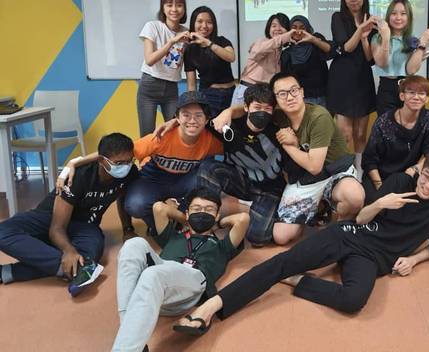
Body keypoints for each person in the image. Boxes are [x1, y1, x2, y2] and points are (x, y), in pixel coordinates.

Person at [171, 150, 429, 336]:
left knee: (353, 300)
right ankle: (207, 309)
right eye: (426, 177)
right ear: (420, 172)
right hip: (351, 234)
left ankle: (296, 281)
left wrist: (412, 260)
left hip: (372, 259)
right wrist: (381, 201)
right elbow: (360, 220)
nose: (427, 185)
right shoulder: (398, 183)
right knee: (279, 263)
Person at [213, 72, 366, 245]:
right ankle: (317, 208)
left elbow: (315, 166)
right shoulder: (278, 115)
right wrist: (228, 111)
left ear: (302, 92)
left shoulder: (318, 116)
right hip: (305, 180)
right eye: (282, 94)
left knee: (354, 196)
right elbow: (251, 106)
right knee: (280, 236)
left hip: (334, 173)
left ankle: (340, 231)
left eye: (294, 90)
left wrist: (289, 145)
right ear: (276, 99)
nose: (290, 97)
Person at [61, 91, 223, 233]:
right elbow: (116, 153)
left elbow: (234, 147)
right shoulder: (162, 136)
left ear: (207, 119)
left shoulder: (210, 140)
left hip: (184, 181)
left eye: (198, 115)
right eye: (186, 115)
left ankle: (187, 221)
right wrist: (75, 162)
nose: (192, 120)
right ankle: (159, 225)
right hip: (154, 179)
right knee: (135, 204)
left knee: (211, 172)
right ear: (177, 117)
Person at [0, 133, 137, 296]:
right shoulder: (78, 176)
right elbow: (57, 228)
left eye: (130, 161)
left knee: (93, 250)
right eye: (119, 163)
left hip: (85, 227)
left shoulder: (129, 172)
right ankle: (77, 269)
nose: (126, 166)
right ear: (101, 161)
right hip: (48, 218)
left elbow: (122, 196)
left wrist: (127, 229)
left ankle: (10, 272)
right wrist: (69, 251)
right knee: (3, 232)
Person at [111, 189, 248, 351]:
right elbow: (159, 208)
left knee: (153, 274)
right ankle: (129, 331)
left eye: (209, 209)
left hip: (192, 282)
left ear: (217, 215)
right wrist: (187, 220)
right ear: (187, 213)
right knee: (133, 244)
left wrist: (217, 224)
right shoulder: (173, 236)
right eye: (196, 209)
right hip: (152, 286)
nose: (202, 213)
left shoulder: (222, 246)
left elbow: (242, 219)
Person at [197, 85, 288, 245]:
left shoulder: (279, 130)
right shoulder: (228, 125)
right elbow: (194, 122)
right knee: (208, 169)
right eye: (257, 107)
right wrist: (171, 123)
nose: (262, 112)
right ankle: (207, 222)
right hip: (239, 181)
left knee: (257, 238)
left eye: (267, 108)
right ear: (246, 107)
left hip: (269, 188)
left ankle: (259, 213)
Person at [362, 76, 429, 201]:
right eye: (411, 92)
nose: (416, 97)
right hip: (380, 176)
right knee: (376, 207)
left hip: (411, 174)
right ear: (402, 96)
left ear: (427, 99)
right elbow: (369, 159)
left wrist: (415, 168)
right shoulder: (384, 121)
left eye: (421, 94)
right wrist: (380, 186)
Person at [327, 0, 377, 174]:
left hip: (363, 78)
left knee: (360, 133)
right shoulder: (338, 17)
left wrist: (365, 36)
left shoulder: (372, 20)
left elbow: (370, 58)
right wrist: (360, 29)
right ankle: (343, 173)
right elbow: (346, 47)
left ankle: (359, 172)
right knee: (344, 134)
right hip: (342, 79)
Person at [137, 0, 190, 136]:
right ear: (163, 8)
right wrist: (172, 41)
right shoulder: (153, 26)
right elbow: (150, 60)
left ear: (184, 9)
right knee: (147, 134)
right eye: (169, 5)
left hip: (171, 88)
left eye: (179, 5)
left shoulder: (187, 33)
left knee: (174, 131)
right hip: (150, 85)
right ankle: (148, 160)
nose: (174, 9)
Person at [370, 0, 429, 115]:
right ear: (388, 16)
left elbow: (411, 70)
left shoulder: (413, 40)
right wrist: (386, 37)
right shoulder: (377, 38)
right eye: (394, 13)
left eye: (403, 14)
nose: (398, 17)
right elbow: (382, 63)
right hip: (386, 88)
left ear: (409, 17)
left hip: (409, 87)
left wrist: (423, 43)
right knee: (388, 128)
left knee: (409, 128)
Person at [231, 13, 295, 106]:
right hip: (248, 89)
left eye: (282, 26)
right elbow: (257, 52)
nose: (277, 29)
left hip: (264, 93)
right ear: (268, 29)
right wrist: (284, 37)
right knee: (238, 120)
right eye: (274, 26)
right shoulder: (262, 42)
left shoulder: (280, 50)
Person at [184, 6, 236, 118]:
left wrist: (208, 43)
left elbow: (231, 57)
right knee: (212, 130)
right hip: (209, 95)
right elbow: (191, 85)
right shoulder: (190, 49)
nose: (204, 26)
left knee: (233, 131)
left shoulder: (222, 41)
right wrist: (192, 105)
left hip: (232, 94)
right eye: (200, 22)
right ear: (193, 24)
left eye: (209, 22)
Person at [280, 15, 333, 107]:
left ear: (308, 29)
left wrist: (313, 39)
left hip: (322, 98)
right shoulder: (287, 53)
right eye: (294, 28)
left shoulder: (316, 42)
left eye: (302, 28)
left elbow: (330, 51)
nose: (298, 31)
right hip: (299, 100)